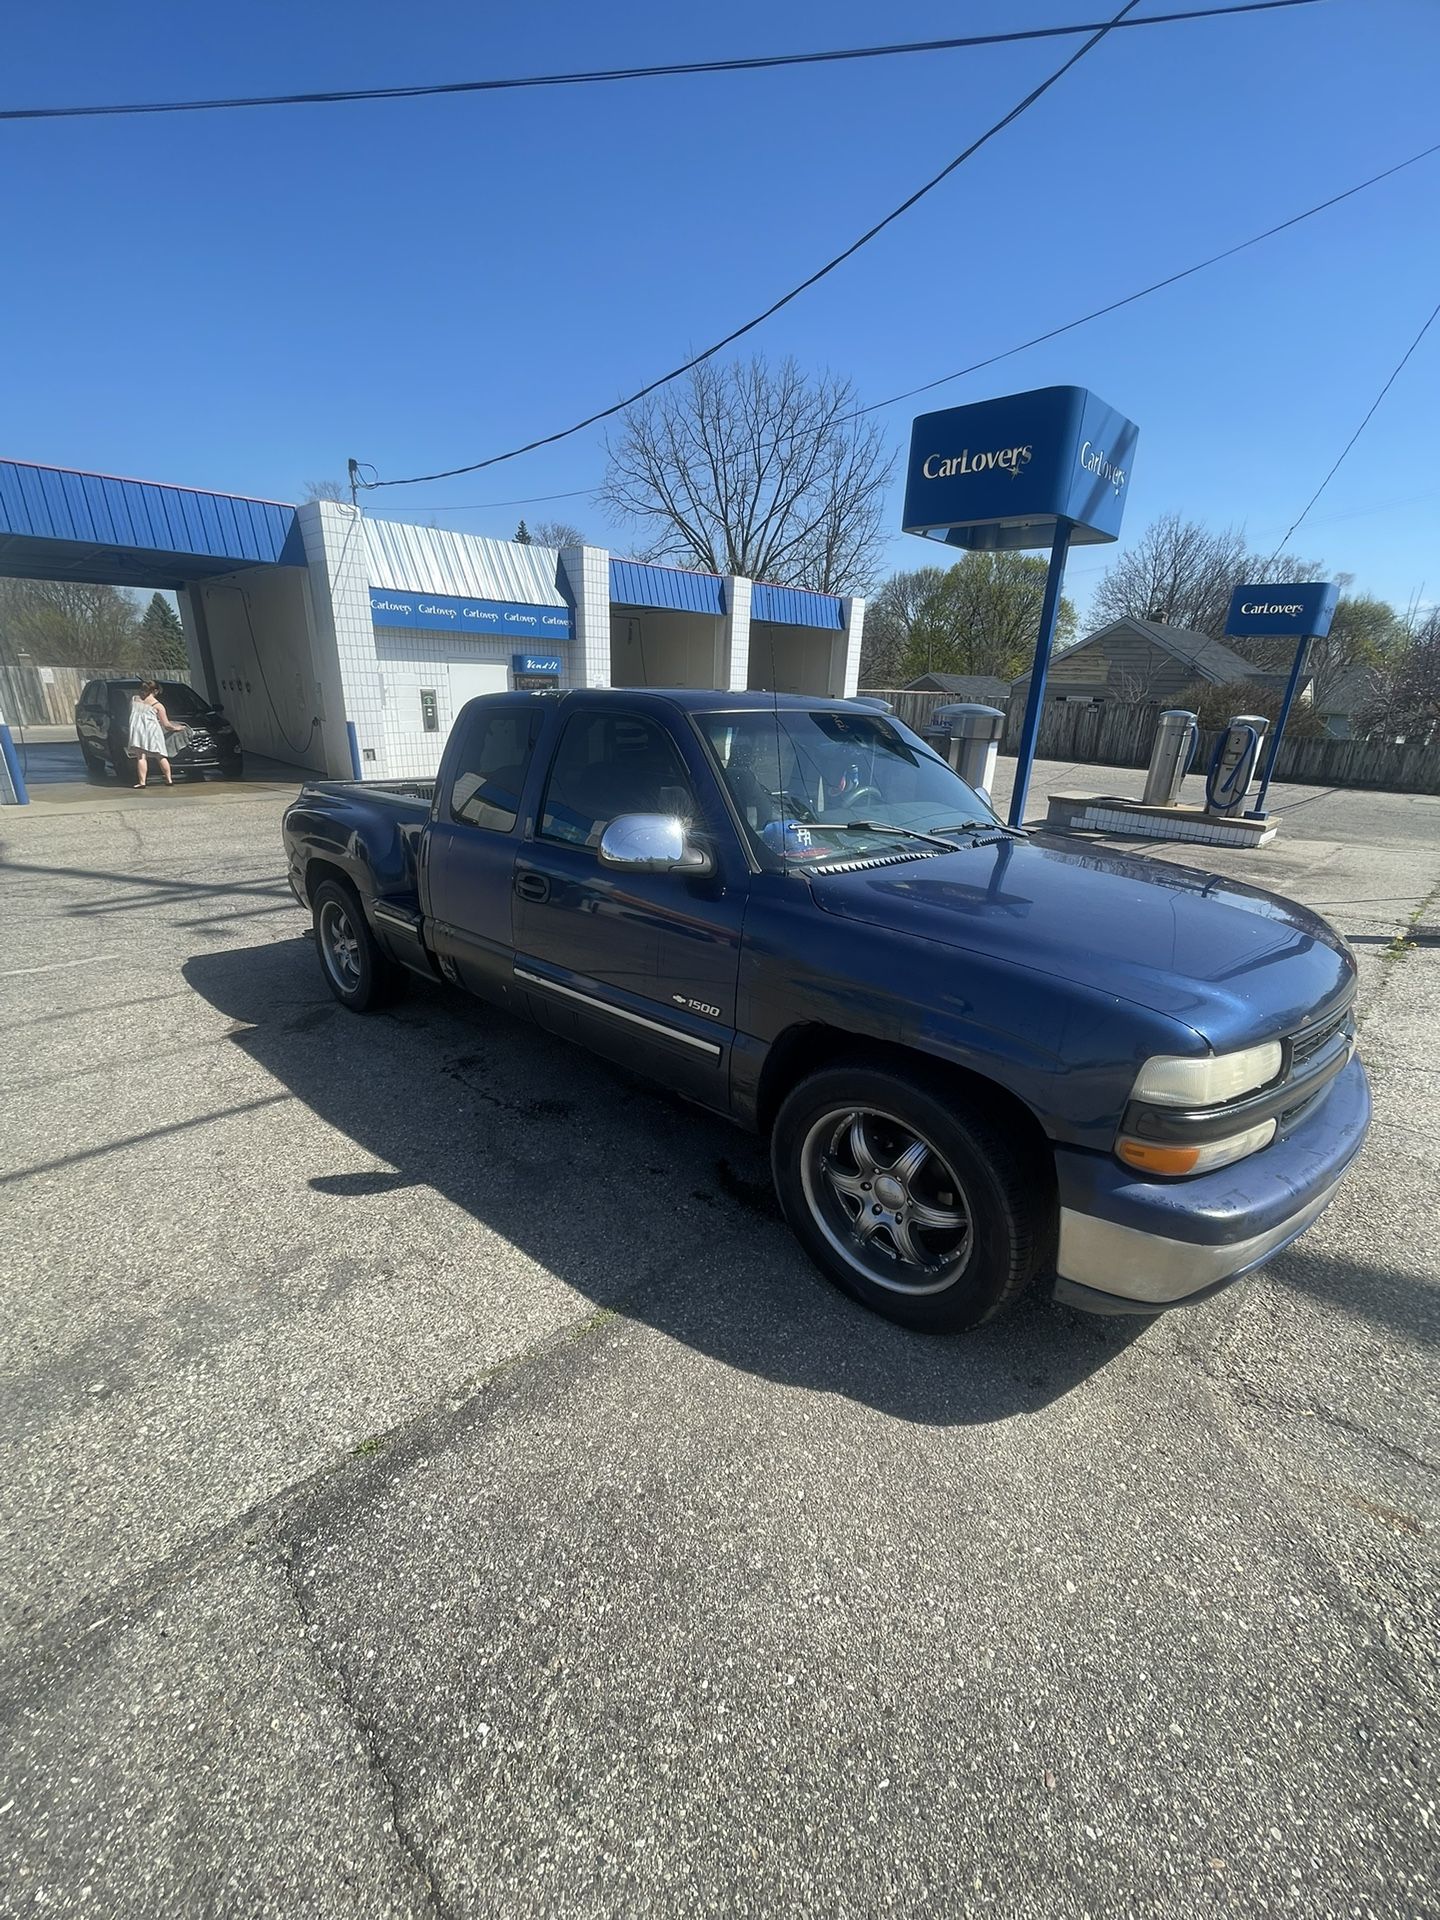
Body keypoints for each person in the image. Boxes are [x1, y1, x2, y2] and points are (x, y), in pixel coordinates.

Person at [126, 680, 177, 788]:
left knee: (140, 757)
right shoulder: (158, 706)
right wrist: (177, 728)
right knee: (160, 756)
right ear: (156, 691)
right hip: (153, 732)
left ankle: (142, 782)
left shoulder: (134, 700)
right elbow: (166, 724)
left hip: (138, 732)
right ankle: (169, 779)